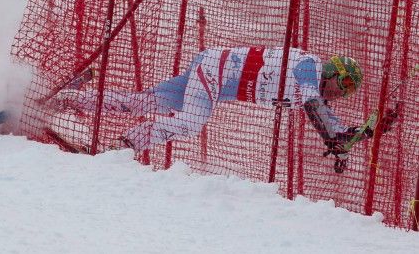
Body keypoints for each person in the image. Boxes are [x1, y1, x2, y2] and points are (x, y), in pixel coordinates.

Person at [48, 46, 399, 173]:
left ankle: (70, 97)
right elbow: (314, 107)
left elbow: (331, 124)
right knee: (191, 123)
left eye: (349, 91)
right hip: (215, 71)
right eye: (344, 85)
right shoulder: (310, 66)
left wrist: (351, 140)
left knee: (146, 102)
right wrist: (333, 136)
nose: (342, 94)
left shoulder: (317, 93)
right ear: (334, 73)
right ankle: (122, 148)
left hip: (213, 74)